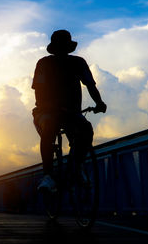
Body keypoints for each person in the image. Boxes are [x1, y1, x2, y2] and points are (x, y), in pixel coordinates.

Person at [32, 29, 107, 193]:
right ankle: (48, 175)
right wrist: (48, 105)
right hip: (46, 111)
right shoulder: (44, 63)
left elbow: (90, 86)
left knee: (86, 131)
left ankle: (77, 167)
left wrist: (99, 102)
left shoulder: (78, 62)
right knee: (49, 128)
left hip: (71, 113)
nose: (62, 50)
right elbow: (38, 90)